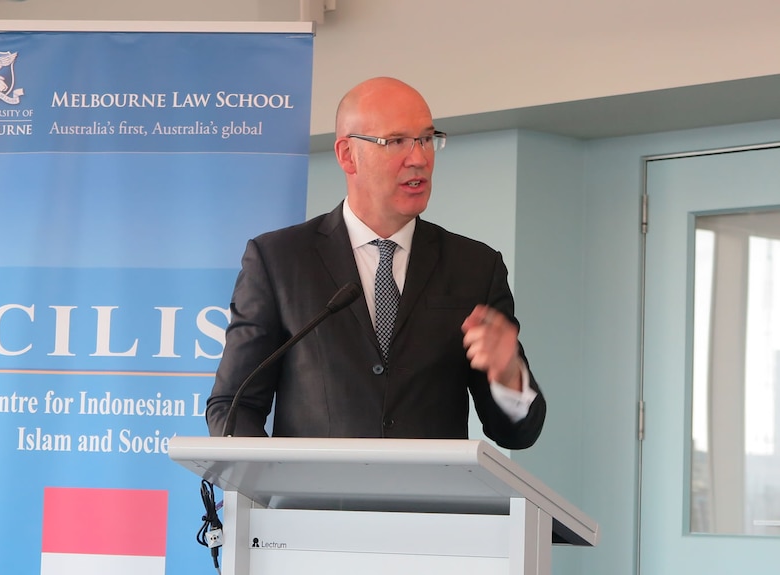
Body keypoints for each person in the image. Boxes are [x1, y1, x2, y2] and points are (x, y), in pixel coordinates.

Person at [206, 77, 545, 448]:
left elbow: (516, 434)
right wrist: (272, 482)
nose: (419, 158)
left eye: (427, 139)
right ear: (347, 155)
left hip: (432, 504)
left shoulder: (475, 267)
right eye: (396, 141)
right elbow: (233, 406)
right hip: (309, 505)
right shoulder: (279, 260)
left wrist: (509, 375)